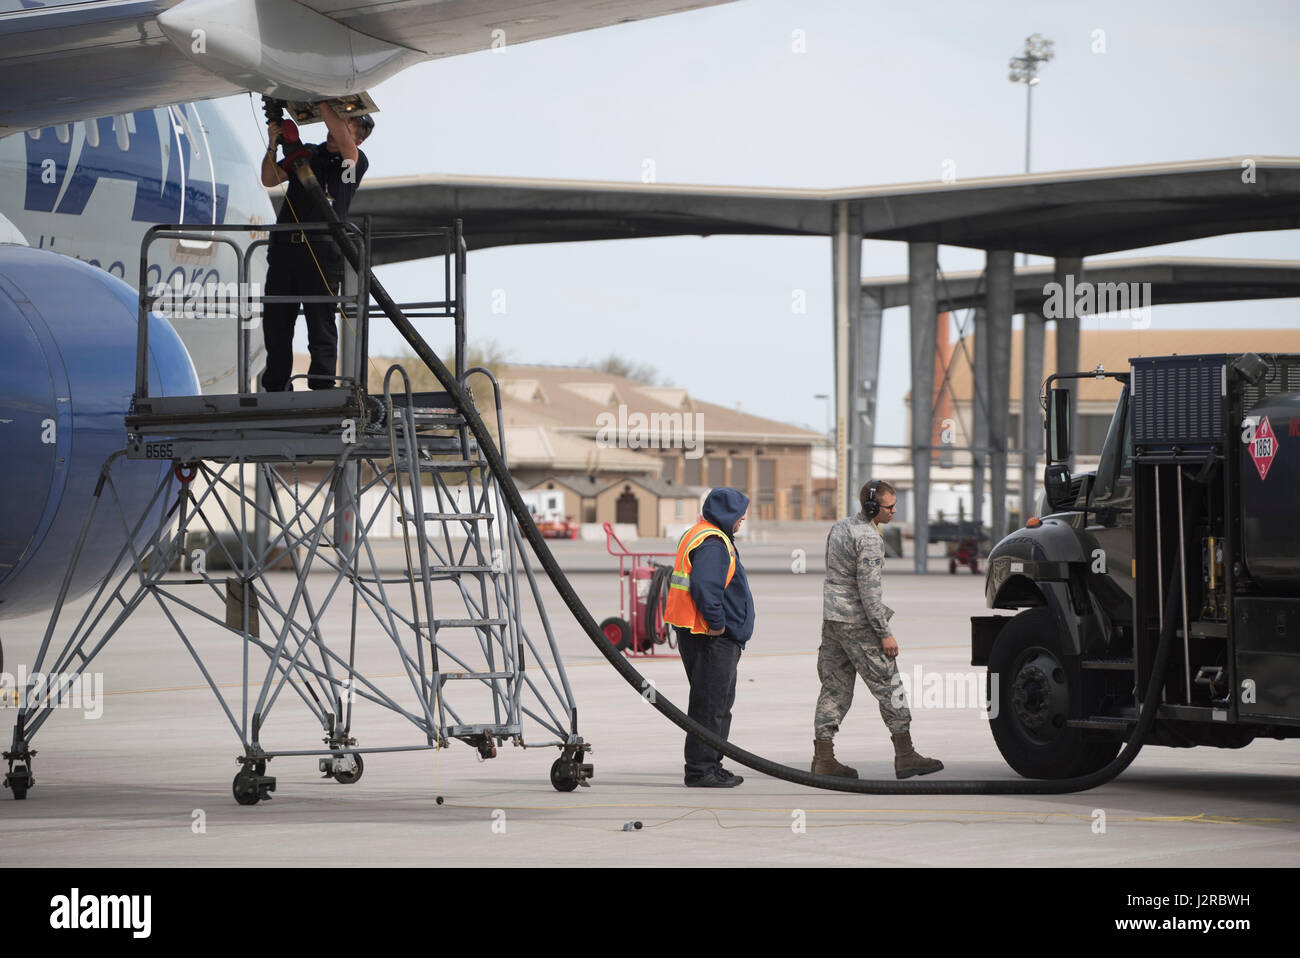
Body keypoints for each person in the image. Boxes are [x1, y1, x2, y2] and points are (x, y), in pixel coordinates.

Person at [812, 479, 944, 779]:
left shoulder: (840, 527)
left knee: (834, 687)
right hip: (859, 624)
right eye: (889, 506)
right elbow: (869, 591)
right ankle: (906, 755)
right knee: (890, 686)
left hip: (833, 620)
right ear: (872, 507)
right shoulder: (870, 539)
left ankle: (823, 757)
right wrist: (884, 632)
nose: (894, 511)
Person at [259, 102, 373, 392]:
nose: (338, 126)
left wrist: (322, 100)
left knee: (320, 321)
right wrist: (274, 145)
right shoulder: (306, 153)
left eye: (347, 124)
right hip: (286, 248)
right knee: (276, 320)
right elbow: (269, 179)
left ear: (357, 138)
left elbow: (343, 140)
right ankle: (276, 385)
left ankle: (321, 384)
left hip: (322, 250)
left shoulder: (353, 162)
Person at [664, 487, 754, 787]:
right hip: (711, 637)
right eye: (740, 514)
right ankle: (701, 769)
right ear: (729, 514)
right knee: (710, 705)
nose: (742, 520)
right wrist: (717, 623)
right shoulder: (713, 543)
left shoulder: (701, 533)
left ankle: (711, 764)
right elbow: (705, 588)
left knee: (716, 703)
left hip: (703, 634)